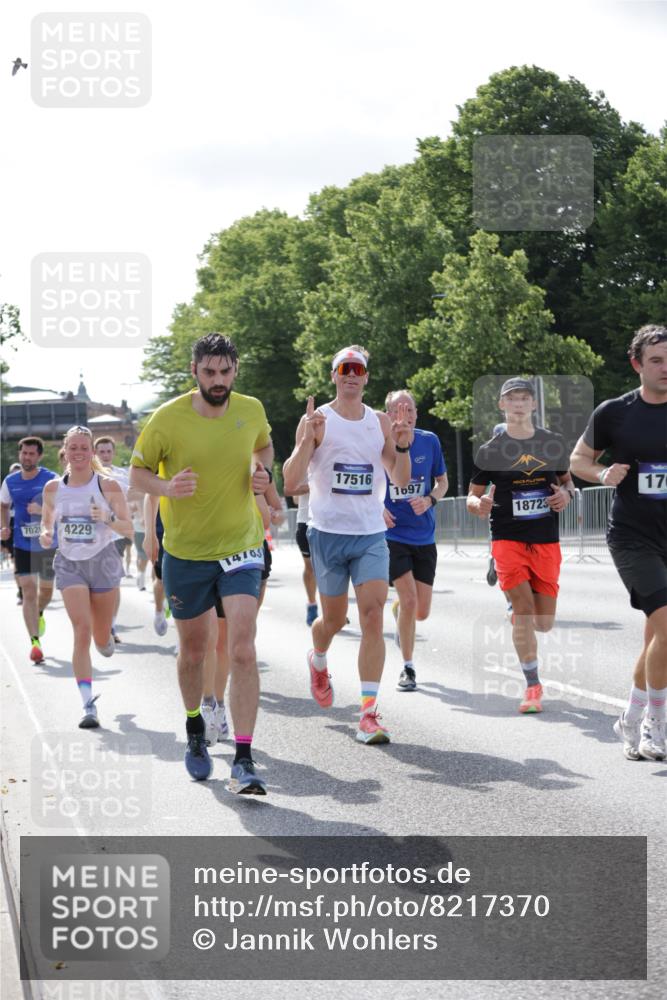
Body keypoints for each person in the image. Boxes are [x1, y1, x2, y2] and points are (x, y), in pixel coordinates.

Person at [130, 332, 274, 793]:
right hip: (188, 552)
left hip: (241, 546)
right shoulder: (166, 419)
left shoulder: (250, 409)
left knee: (242, 646)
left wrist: (262, 471)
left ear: (236, 370)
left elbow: (264, 447)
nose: (218, 380)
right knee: (194, 652)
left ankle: (244, 759)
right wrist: (168, 489)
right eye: (209, 372)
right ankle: (195, 731)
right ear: (194, 371)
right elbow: (138, 473)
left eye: (225, 372)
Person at [282, 345, 411, 745]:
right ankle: (318, 658)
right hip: (327, 533)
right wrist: (308, 441)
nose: (353, 374)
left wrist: (403, 446)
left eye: (359, 369)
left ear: (366, 377)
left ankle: (369, 713)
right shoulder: (318, 420)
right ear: (334, 375)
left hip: (370, 533)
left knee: (373, 614)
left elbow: (401, 480)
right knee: (334, 621)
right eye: (345, 368)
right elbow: (288, 482)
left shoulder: (379, 422)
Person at [570, 324, 667, 761]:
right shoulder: (615, 412)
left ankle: (629, 717)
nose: (666, 368)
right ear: (637, 365)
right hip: (632, 538)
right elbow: (578, 460)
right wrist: (602, 474)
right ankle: (654, 727)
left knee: (656, 636)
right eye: (656, 361)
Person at [467, 378, 574, 714]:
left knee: (544, 622)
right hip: (507, 537)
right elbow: (473, 494)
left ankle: (517, 610)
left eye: (524, 398)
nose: (518, 403)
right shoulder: (491, 449)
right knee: (525, 612)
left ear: (533, 405)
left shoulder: (552, 443)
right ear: (502, 405)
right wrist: (478, 504)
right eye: (511, 398)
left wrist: (566, 495)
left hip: (545, 539)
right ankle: (532, 686)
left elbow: (569, 484)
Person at [40, 426, 133, 728]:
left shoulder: (108, 485)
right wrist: (44, 534)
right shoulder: (53, 488)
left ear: (92, 452)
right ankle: (87, 705)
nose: (78, 453)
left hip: (103, 561)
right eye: (73, 448)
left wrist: (106, 517)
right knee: (81, 629)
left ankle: (105, 638)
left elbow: (128, 529)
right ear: (64, 451)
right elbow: (47, 522)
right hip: (70, 563)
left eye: (84, 448)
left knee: (100, 637)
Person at [382, 390, 448, 691]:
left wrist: (430, 499)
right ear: (387, 414)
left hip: (424, 534)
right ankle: (408, 668)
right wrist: (378, 508)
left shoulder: (429, 441)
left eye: (409, 408)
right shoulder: (378, 441)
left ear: (416, 414)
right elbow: (367, 481)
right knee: (409, 600)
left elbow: (442, 482)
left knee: (421, 611)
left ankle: (400, 613)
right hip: (392, 534)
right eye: (397, 409)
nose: (403, 414)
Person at [0, 439, 57, 662]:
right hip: (22, 544)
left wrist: (42, 509)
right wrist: (4, 526)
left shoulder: (51, 479)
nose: (27, 457)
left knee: (46, 592)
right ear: (20, 454)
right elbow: (3, 505)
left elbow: (63, 507)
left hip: (46, 543)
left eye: (32, 454)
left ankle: (40, 612)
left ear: (39, 457)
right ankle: (35, 642)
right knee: (28, 592)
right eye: (24, 453)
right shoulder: (10, 481)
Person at [94, 436, 132, 640]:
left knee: (113, 581)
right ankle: (99, 621)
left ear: (113, 453)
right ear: (95, 454)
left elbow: (134, 500)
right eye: (102, 452)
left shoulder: (122, 476)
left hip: (114, 535)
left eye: (109, 451)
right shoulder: (86, 475)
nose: (106, 455)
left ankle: (111, 625)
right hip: (90, 537)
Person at [286, 486, 319, 625]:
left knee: (333, 568)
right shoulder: (303, 465)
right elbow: (295, 499)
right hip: (306, 521)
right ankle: (312, 604)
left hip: (332, 522)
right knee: (310, 567)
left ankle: (334, 611)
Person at [143, 495, 169, 636]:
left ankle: (181, 641)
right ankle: (159, 612)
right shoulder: (161, 472)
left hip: (193, 535)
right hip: (162, 532)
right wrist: (150, 533)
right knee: (161, 580)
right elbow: (150, 495)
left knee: (184, 587)